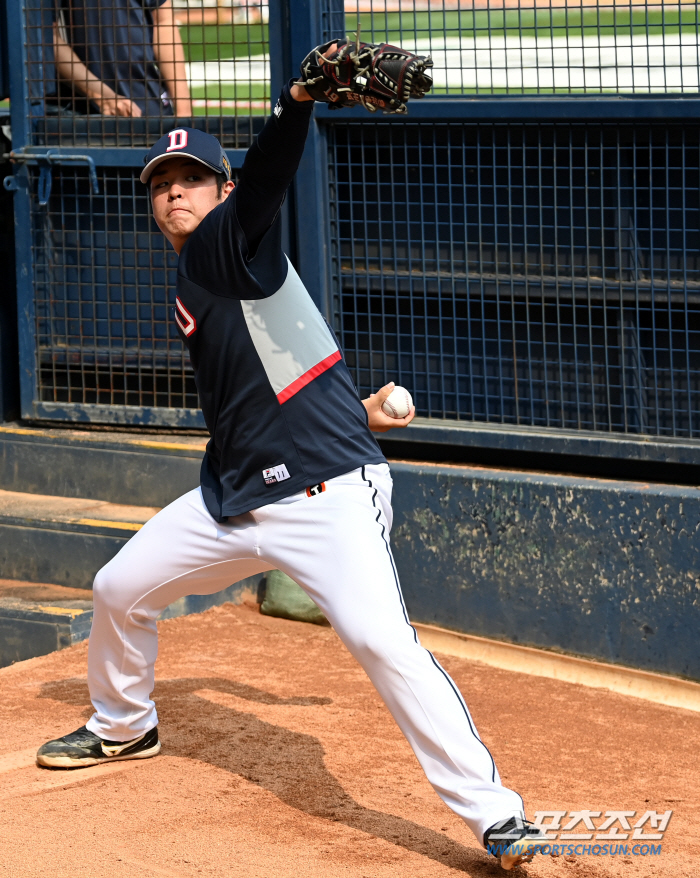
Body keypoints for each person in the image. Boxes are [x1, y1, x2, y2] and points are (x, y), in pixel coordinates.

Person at [36, 48, 547, 870]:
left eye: (192, 177)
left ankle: (497, 817)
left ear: (223, 191)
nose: (174, 191)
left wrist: (298, 98)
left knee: (384, 645)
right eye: (163, 182)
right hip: (237, 495)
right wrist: (363, 413)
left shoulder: (229, 242)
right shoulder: (220, 276)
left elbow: (270, 173)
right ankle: (123, 726)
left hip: (324, 498)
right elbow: (287, 377)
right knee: (118, 589)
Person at [52, 0, 191, 117]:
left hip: (152, 107)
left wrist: (184, 110)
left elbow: (163, 21)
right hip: (86, 115)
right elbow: (48, 36)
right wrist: (102, 95)